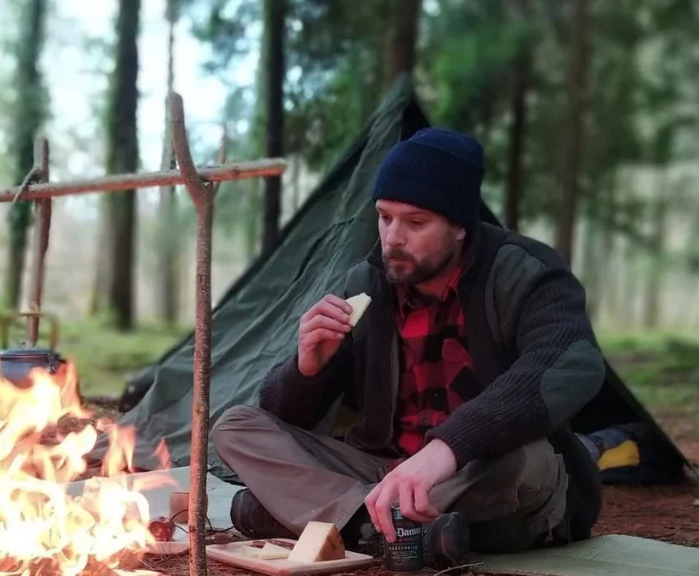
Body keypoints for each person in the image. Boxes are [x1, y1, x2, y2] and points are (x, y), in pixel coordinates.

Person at [210, 126, 606, 570]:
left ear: (460, 226)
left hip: (474, 471)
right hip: (382, 472)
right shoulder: (366, 283)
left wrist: (446, 450)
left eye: (416, 222)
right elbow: (288, 416)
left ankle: (322, 519)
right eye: (384, 217)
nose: (393, 237)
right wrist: (307, 369)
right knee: (236, 426)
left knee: (528, 461)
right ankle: (381, 528)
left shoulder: (525, 271)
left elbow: (571, 362)